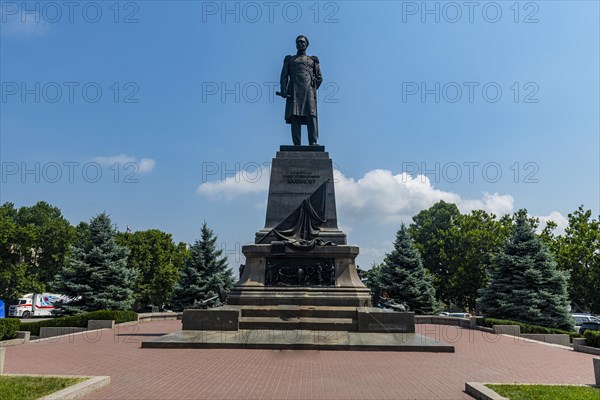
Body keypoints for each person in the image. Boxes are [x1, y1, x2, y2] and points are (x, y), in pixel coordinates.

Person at [279, 35, 323, 146]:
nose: (300, 44)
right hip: (294, 90)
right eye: (298, 42)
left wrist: (313, 87)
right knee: (295, 116)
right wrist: (283, 89)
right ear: (295, 44)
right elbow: (284, 76)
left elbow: (319, 77)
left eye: (303, 42)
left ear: (306, 45)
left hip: (308, 91)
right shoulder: (290, 60)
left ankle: (313, 142)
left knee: (311, 116)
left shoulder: (312, 60)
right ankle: (296, 144)